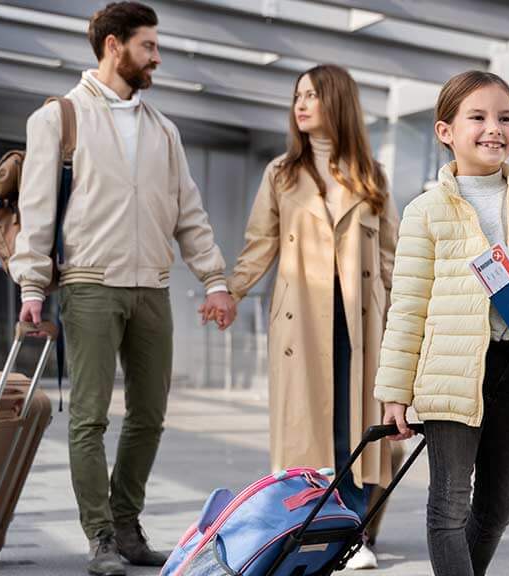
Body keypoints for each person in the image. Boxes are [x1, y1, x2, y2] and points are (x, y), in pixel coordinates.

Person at [10, 3, 236, 574]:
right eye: (149, 46)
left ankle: (129, 525)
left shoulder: (164, 130)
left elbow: (189, 212)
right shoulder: (58, 119)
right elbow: (36, 211)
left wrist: (214, 279)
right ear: (115, 46)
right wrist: (33, 287)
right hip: (89, 285)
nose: (157, 56)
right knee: (89, 418)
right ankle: (101, 538)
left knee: (150, 415)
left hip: (152, 288)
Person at [374, 70, 509, 576]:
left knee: (498, 509)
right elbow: (406, 307)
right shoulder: (424, 213)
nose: (494, 128)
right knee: (448, 507)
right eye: (478, 117)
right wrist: (394, 392)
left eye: (505, 118)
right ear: (445, 131)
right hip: (450, 373)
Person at [204, 64, 398, 569]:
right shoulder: (281, 173)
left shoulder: (372, 175)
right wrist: (230, 290)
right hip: (300, 321)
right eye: (298, 96)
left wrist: (407, 328)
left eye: (312, 94)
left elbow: (392, 258)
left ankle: (354, 534)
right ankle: (310, 529)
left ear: (337, 102)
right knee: (306, 432)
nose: (301, 104)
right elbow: (259, 244)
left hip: (361, 324)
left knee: (357, 429)